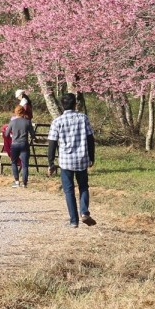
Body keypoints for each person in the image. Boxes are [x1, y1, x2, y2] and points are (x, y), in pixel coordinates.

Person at [47, 93, 96, 228]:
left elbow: (52, 143)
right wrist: (92, 157)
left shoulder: (57, 121)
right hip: (81, 159)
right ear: (75, 104)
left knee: (69, 190)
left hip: (65, 161)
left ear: (62, 106)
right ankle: (84, 212)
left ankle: (74, 221)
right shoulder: (83, 118)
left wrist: (51, 162)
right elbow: (90, 139)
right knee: (83, 186)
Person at [7, 104, 36, 188]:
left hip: (15, 144)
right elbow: (33, 134)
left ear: (15, 112)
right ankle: (24, 183)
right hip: (24, 144)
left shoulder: (12, 122)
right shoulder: (27, 122)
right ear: (23, 112)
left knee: (14, 163)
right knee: (25, 164)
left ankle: (16, 182)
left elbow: (6, 133)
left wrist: (12, 136)